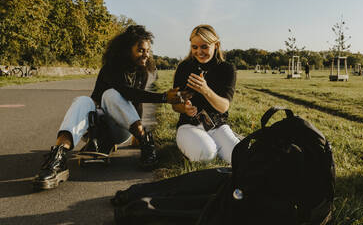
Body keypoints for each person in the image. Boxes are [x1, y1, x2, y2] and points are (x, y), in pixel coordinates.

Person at [33, 25, 186, 190]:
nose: (146, 55)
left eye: (148, 51)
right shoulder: (111, 68)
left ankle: (145, 142)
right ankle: (58, 159)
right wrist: (163, 97)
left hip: (121, 129)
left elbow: (135, 98)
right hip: (95, 127)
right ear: (127, 50)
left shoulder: (142, 72)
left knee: (110, 95)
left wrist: (138, 134)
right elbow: (124, 92)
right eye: (141, 50)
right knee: (82, 100)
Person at [172, 24, 240, 164]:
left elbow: (223, 107)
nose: (199, 52)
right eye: (194, 47)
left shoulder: (227, 69)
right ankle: (194, 143)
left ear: (216, 45)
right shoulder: (184, 67)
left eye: (204, 46)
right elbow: (175, 104)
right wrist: (185, 108)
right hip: (188, 125)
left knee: (240, 158)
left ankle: (222, 141)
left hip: (217, 125)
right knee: (207, 154)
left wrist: (205, 90)